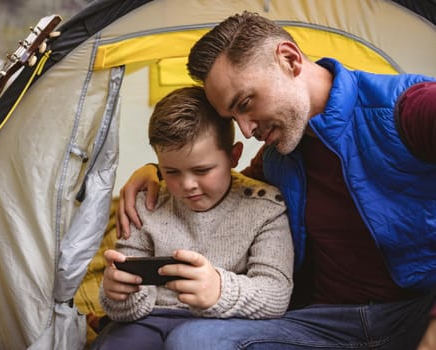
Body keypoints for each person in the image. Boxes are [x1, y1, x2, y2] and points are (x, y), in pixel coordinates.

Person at [116, 11, 436, 350]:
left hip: (415, 312)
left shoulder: (409, 108)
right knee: (194, 341)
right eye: (233, 117)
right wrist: (156, 171)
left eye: (246, 103)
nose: (247, 130)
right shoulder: (277, 157)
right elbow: (220, 180)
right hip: (322, 325)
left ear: (289, 59)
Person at [92, 86, 294, 349]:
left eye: (202, 170)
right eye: (172, 172)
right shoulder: (146, 203)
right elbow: (128, 312)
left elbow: (276, 295)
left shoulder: (266, 207)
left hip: (227, 323)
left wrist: (219, 290)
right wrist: (117, 294)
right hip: (149, 320)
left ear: (234, 156)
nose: (187, 185)